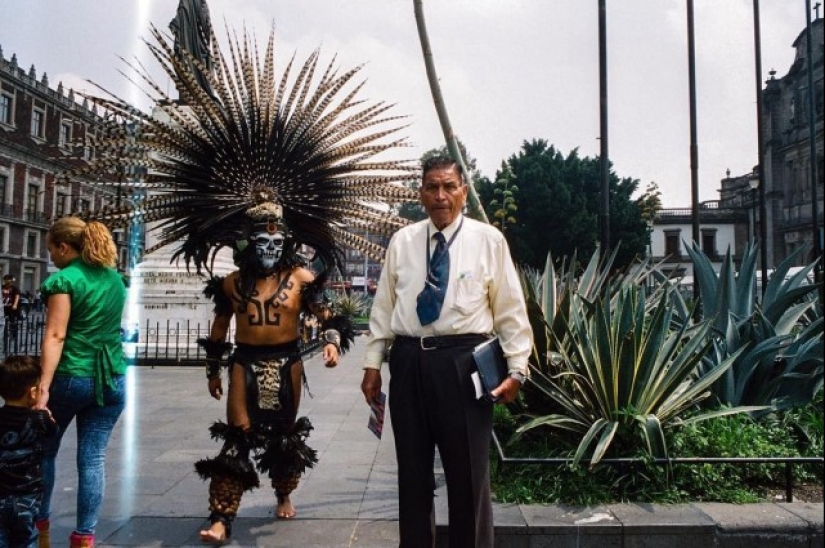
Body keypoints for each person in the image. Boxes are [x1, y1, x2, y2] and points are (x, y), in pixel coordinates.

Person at [361, 155, 533, 548]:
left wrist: (517, 370)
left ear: (463, 192)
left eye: (449, 187)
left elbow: (510, 309)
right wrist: (373, 364)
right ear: (420, 194)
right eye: (432, 187)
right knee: (414, 476)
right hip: (408, 363)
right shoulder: (403, 241)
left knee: (467, 478)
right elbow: (383, 308)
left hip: (464, 364)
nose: (441, 196)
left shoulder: (488, 240)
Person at [194, 205, 355, 544]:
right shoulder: (232, 283)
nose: (270, 248)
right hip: (244, 363)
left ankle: (283, 493)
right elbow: (220, 328)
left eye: (277, 241)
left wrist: (333, 343)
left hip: (287, 363)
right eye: (263, 241)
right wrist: (213, 372)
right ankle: (222, 517)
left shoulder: (301, 277)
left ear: (287, 242)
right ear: (248, 243)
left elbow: (327, 315)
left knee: (284, 436)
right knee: (237, 437)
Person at [34, 217, 128, 548]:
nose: (51, 257)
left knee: (43, 451)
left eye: (51, 250)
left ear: (64, 247)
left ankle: (39, 528)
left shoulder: (65, 280)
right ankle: (84, 537)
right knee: (93, 458)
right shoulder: (116, 280)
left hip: (74, 375)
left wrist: (44, 385)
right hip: (113, 379)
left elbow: (56, 334)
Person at [0, 356, 58, 548]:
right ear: (33, 392)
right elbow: (53, 430)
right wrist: (46, 413)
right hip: (27, 497)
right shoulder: (38, 420)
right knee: (26, 540)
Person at [2, 274, 21, 354]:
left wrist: (15, 304)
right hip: (3, 307)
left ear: (11, 280)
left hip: (11, 308)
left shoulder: (14, 288)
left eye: (8, 279)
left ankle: (14, 334)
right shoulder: (2, 287)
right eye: (5, 279)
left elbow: (17, 296)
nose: (7, 281)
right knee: (3, 321)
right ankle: (4, 332)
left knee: (12, 321)